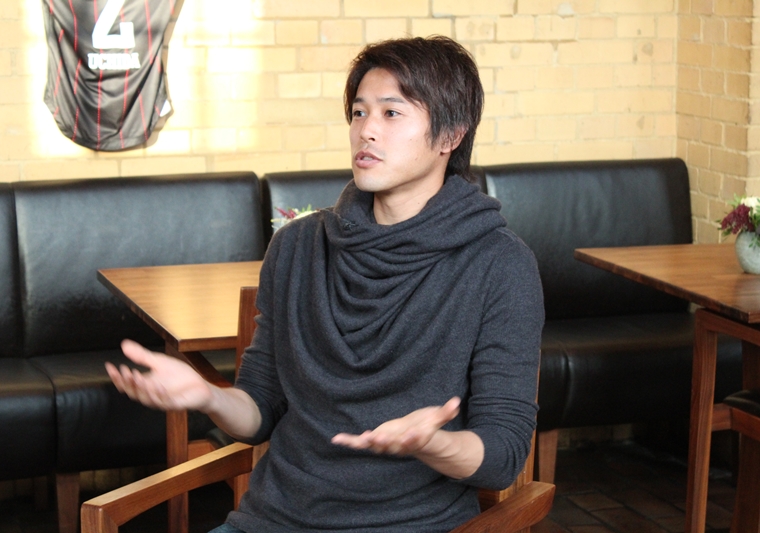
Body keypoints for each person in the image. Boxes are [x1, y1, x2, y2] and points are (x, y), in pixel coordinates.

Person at [107, 35, 544, 533]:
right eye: (359, 113)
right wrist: (208, 396)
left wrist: (433, 443)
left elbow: (504, 454)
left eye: (391, 113)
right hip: (270, 522)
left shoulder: (500, 264)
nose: (366, 131)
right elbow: (261, 408)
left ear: (451, 136)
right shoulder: (297, 246)